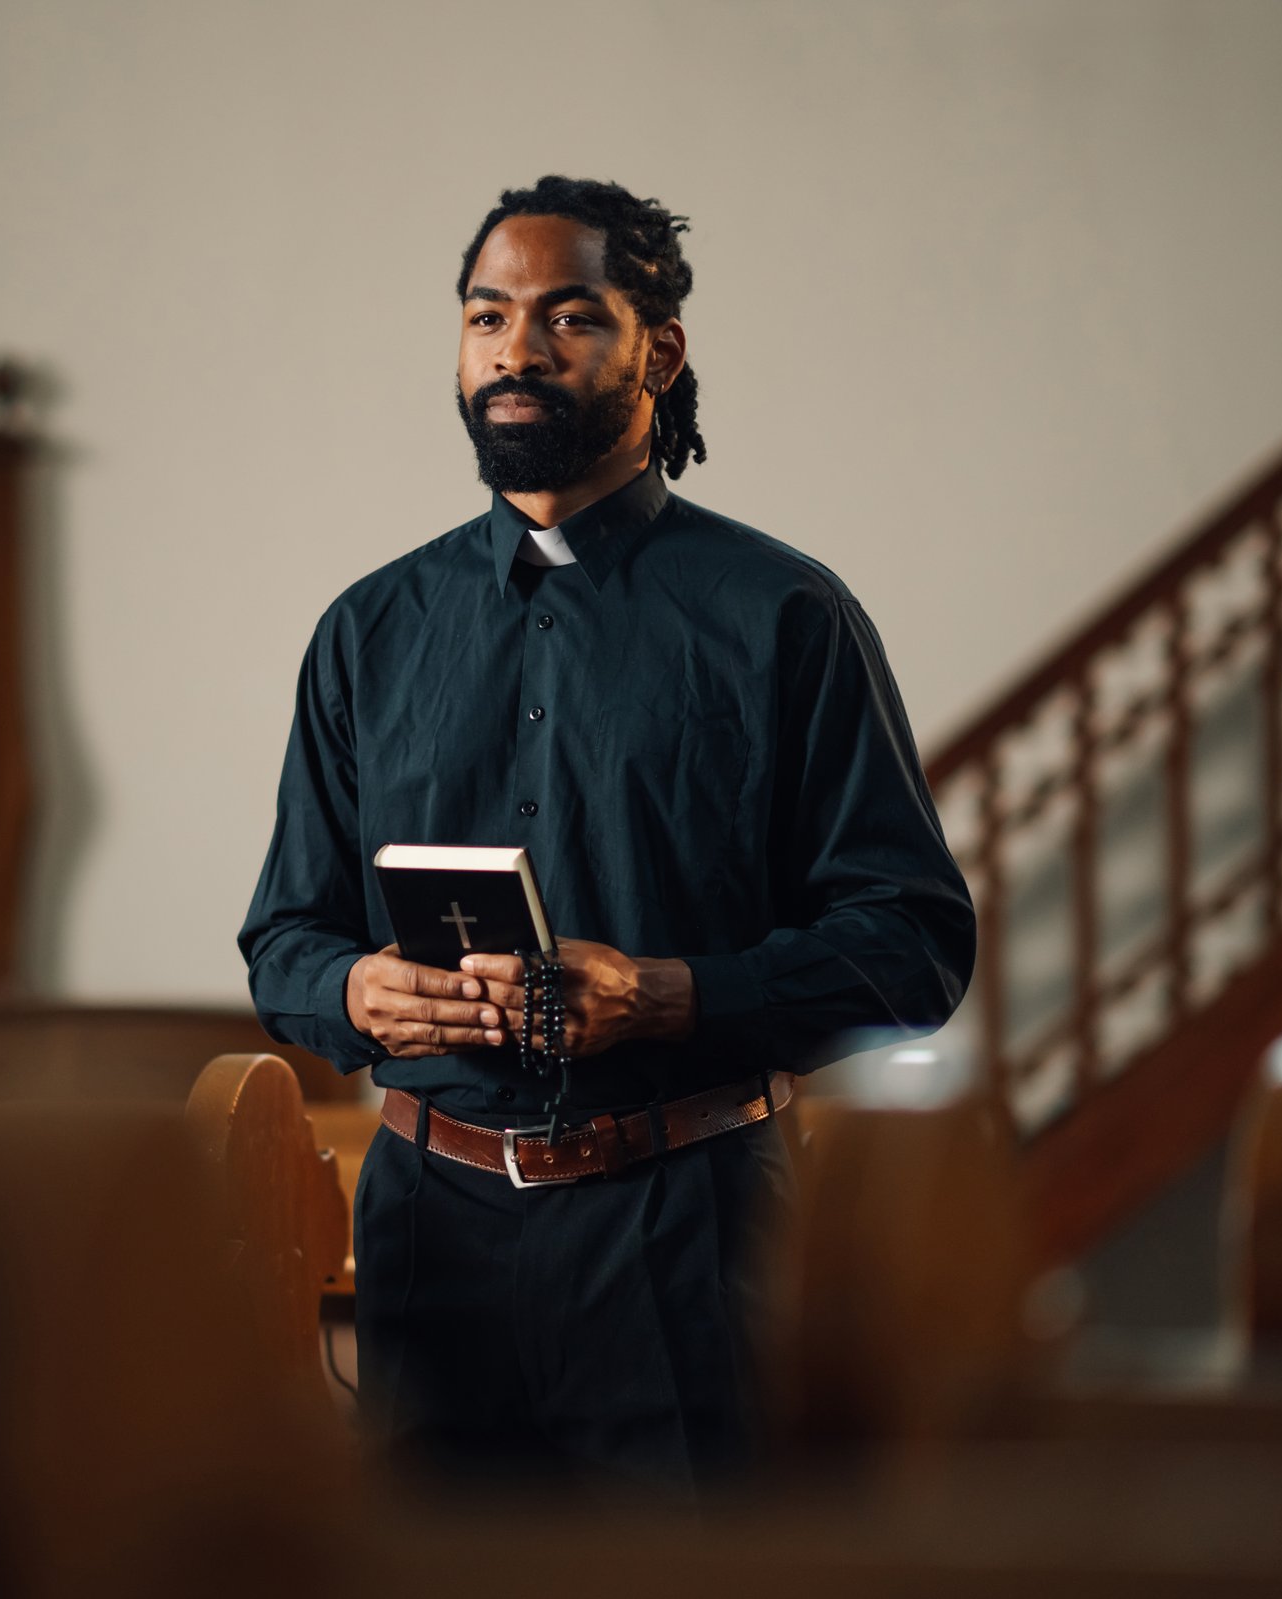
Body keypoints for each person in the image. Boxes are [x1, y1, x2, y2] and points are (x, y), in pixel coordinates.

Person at [237, 176, 976, 1491]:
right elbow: (283, 940)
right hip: (426, 1237)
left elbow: (914, 947)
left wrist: (666, 995)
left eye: (568, 316)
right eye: (485, 316)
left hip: (688, 1234)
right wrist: (355, 988)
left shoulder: (784, 616)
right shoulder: (367, 631)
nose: (516, 350)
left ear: (660, 350)